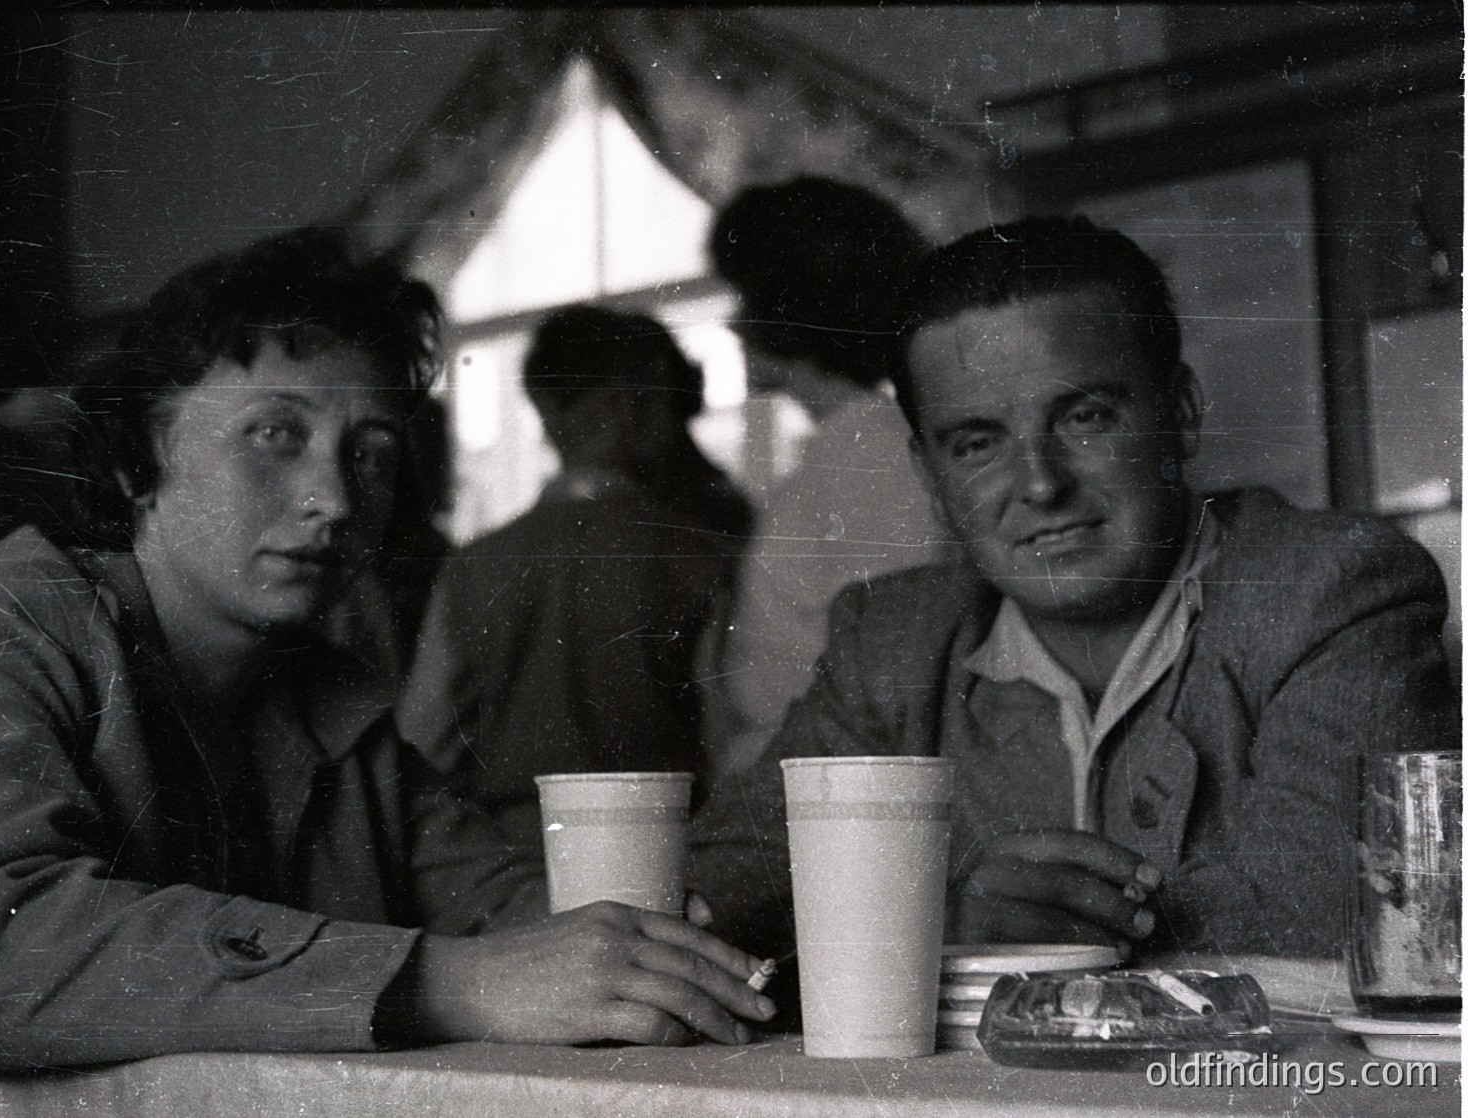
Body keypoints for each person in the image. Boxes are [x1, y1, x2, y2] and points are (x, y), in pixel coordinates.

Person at [0, 235, 775, 1118]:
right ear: (137, 461)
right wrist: (446, 982)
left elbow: (493, 901)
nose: (334, 498)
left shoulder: (327, 697)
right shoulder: (1, 634)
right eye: (275, 434)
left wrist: (640, 944)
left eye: (371, 452)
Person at [690, 214, 1458, 962]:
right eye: (977, 443)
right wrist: (949, 918)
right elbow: (714, 889)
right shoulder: (892, 641)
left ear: (1181, 413)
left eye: (1086, 417)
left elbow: (1336, 914)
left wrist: (947, 935)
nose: (1040, 484)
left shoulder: (1332, 591)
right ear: (929, 474)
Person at [396, 305, 750, 856]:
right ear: (630, 403)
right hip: (661, 848)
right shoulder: (702, 556)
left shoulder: (476, 565)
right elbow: (729, 741)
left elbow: (425, 742)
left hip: (511, 860)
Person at [704, 176, 955, 776]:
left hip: (830, 786)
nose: (732, 325)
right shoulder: (846, 449)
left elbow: (896, 679)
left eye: (743, 300)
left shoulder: (873, 458)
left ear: (790, 307)